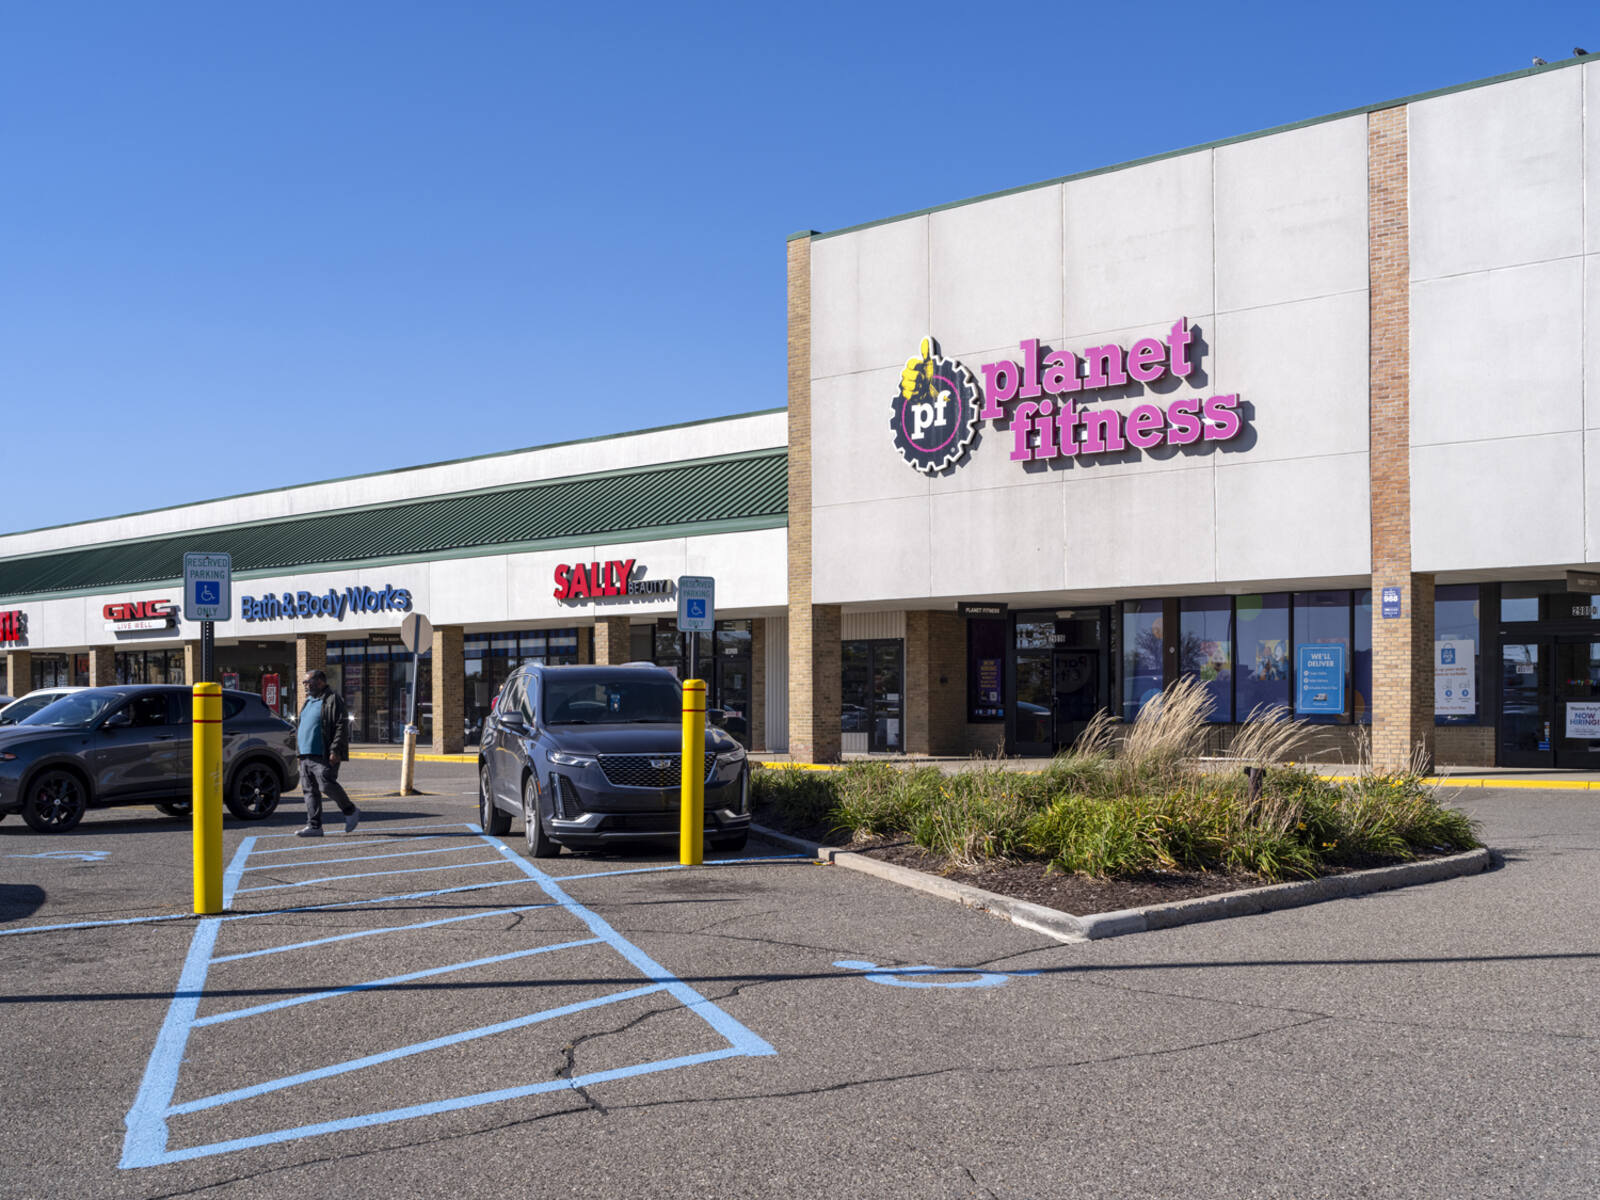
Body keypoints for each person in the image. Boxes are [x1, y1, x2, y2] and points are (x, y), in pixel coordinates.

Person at [296, 669, 359, 837]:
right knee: (309, 790)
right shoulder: (308, 701)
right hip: (305, 754)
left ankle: (350, 810)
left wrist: (335, 749)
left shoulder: (332, 699)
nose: (305, 686)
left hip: (324, 753)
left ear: (320, 682)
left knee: (326, 784)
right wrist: (299, 752)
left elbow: (341, 725)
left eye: (308, 682)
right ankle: (314, 826)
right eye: (304, 683)